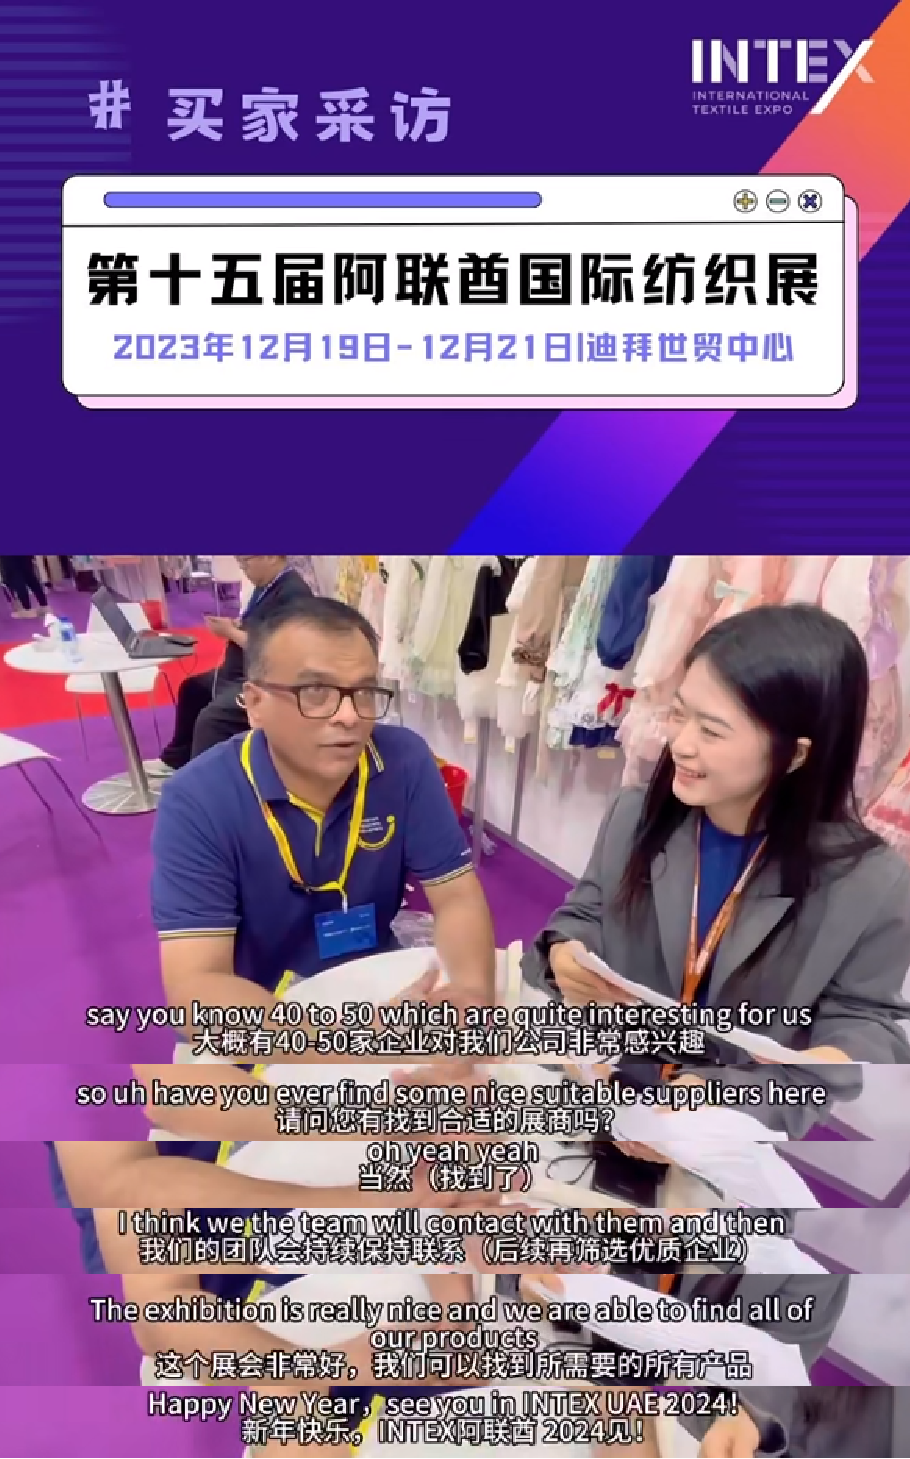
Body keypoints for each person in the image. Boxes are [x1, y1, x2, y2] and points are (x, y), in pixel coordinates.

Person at [522, 604, 910, 1139]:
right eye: (680, 715)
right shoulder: (637, 815)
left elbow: (862, 1029)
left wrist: (731, 1102)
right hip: (597, 1090)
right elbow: (584, 911)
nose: (681, 744)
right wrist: (565, 953)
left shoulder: (870, 882)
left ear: (795, 755)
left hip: (722, 1133)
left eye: (712, 730)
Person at [149, 594, 495, 1119]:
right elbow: (197, 992)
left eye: (364, 693)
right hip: (258, 1017)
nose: (349, 716)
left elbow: (458, 898)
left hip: (378, 987)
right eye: (316, 692)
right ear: (254, 702)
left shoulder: (403, 761)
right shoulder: (198, 798)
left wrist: (470, 1001)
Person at [156, 554, 312, 771]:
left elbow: (278, 649)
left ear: (270, 557)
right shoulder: (266, 585)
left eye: (246, 562)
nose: (243, 568)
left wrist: (230, 632)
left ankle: (202, 781)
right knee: (192, 689)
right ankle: (177, 760)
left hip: (262, 678)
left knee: (212, 720)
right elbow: (259, 626)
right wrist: (235, 625)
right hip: (241, 668)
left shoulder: (293, 593)